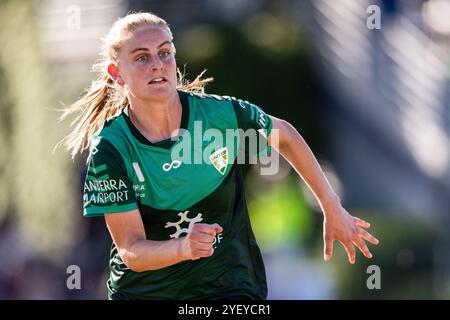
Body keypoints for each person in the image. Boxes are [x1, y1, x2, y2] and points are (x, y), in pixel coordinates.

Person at [60, 11, 379, 300]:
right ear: (117, 73)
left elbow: (285, 136)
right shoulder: (112, 147)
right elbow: (131, 249)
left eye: (165, 53)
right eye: (142, 57)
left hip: (229, 284)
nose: (157, 64)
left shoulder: (219, 114)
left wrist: (331, 206)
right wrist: (183, 247)